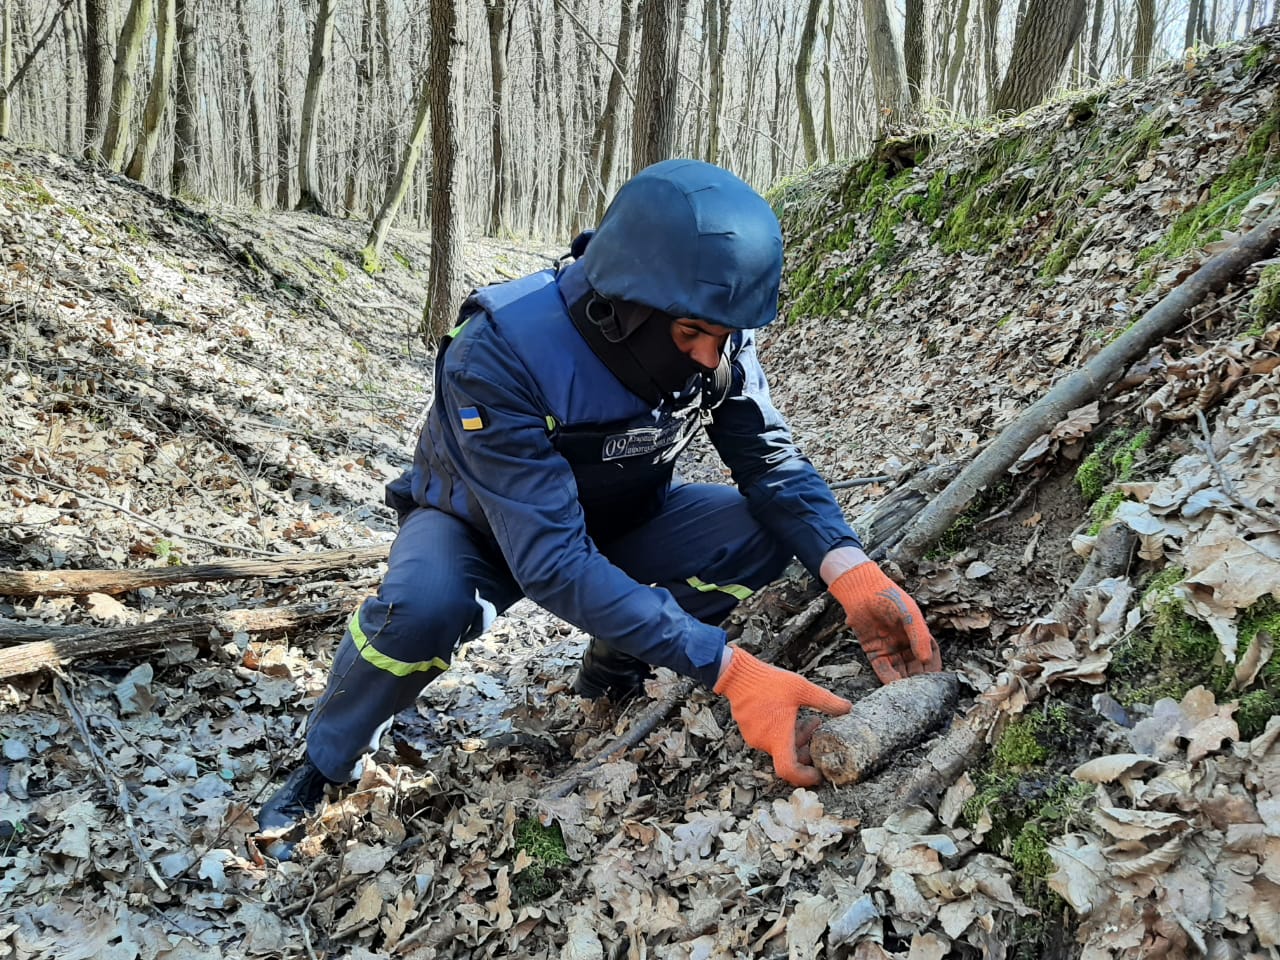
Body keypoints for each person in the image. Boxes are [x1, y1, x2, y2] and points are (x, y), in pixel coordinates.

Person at [257, 159, 940, 854]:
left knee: (761, 533)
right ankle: (327, 762)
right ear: (623, 306)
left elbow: (770, 460)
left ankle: (617, 662)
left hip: (625, 516)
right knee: (418, 613)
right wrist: (726, 670)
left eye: (724, 337)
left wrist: (851, 570)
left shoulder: (715, 322)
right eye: (689, 337)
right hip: (477, 531)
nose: (710, 359)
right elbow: (552, 561)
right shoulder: (501, 351)